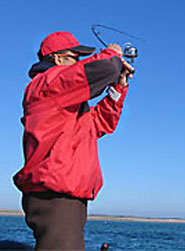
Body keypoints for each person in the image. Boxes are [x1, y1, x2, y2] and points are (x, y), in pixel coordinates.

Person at [13, 31, 133, 250]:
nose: (78, 63)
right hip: (55, 196)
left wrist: (118, 87)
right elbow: (104, 68)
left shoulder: (62, 97)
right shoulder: (46, 84)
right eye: (74, 58)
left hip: (64, 196)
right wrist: (113, 54)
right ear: (58, 59)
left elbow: (100, 123)